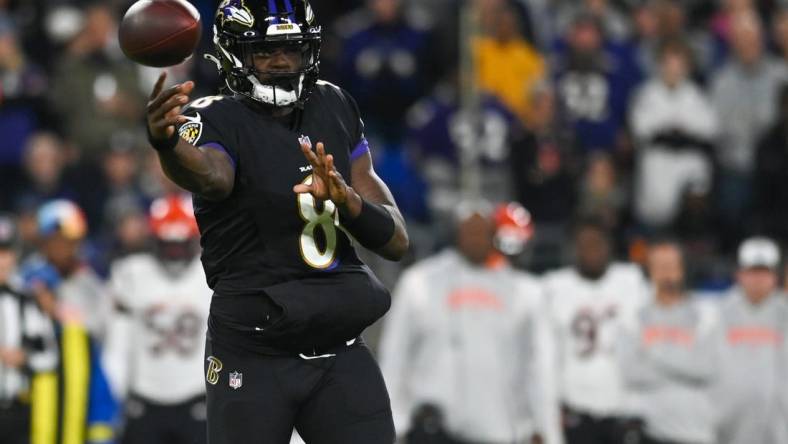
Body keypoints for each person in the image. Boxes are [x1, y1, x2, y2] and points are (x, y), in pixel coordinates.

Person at [144, 1, 409, 443]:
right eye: (266, 51)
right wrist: (167, 142)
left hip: (337, 345)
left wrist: (348, 202)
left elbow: (396, 240)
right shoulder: (214, 116)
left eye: (292, 49)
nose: (283, 62)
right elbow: (211, 176)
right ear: (235, 55)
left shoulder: (334, 104)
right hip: (254, 349)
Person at [378, 202, 560, 444]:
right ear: (456, 234)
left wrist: (546, 431)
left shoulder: (524, 291)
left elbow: (539, 368)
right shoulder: (420, 282)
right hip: (433, 430)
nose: (476, 238)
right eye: (468, 230)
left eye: (482, 231)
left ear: (494, 235)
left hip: (503, 431)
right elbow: (394, 358)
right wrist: (395, 424)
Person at [103, 195, 212, 444]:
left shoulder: (210, 274)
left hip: (196, 396)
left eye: (180, 245)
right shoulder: (130, 273)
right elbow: (117, 347)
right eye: (168, 245)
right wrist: (115, 398)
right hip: (144, 397)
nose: (174, 254)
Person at [542, 217, 647, 444]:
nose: (591, 251)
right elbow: (545, 358)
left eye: (597, 243)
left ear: (609, 246)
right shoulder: (554, 287)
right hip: (575, 409)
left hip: (624, 409)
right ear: (573, 249)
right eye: (584, 244)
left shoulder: (632, 281)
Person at [617, 240, 721, 444]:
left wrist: (654, 352)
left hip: (698, 433)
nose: (665, 272)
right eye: (659, 266)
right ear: (650, 272)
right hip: (652, 432)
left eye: (671, 266)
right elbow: (632, 373)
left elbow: (707, 368)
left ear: (682, 270)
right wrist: (685, 363)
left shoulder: (706, 314)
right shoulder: (634, 318)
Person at [629, 39, 718, 230]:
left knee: (696, 198)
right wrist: (673, 129)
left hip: (689, 158)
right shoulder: (646, 94)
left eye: (679, 64)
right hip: (658, 159)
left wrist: (675, 129)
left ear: (687, 66)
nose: (673, 69)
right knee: (655, 214)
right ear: (660, 65)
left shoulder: (696, 95)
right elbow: (641, 128)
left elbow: (709, 129)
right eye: (669, 63)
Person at [714, 237, 788, 444]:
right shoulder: (718, 312)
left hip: (778, 426)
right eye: (752, 271)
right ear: (739, 274)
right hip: (728, 426)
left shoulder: (785, 312)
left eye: (764, 272)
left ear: (775, 276)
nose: (758, 279)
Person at [0, 215, 57, 444]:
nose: (1, 260)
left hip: (17, 409)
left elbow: (49, 356)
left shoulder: (27, 300)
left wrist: (24, 357)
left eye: (5, 252)